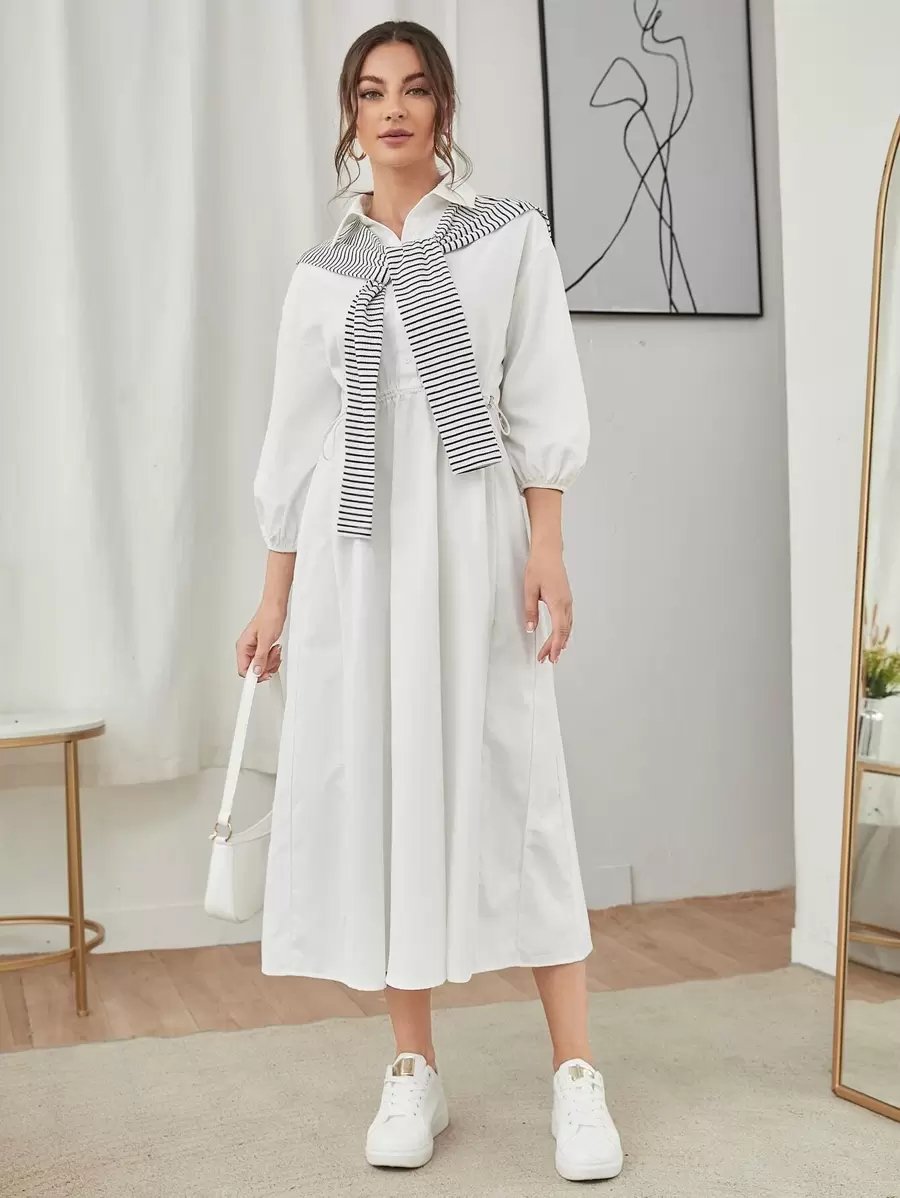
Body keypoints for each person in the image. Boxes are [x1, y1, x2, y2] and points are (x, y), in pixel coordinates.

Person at [235, 18, 624, 1184]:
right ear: (351, 116)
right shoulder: (322, 276)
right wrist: (273, 600)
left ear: (442, 108)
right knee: (384, 786)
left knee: (521, 787)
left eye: (413, 89)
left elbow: (538, 393)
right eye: (371, 91)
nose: (393, 108)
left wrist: (547, 544)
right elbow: (296, 445)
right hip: (354, 559)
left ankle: (576, 1072)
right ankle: (414, 1064)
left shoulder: (508, 238)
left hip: (475, 541)